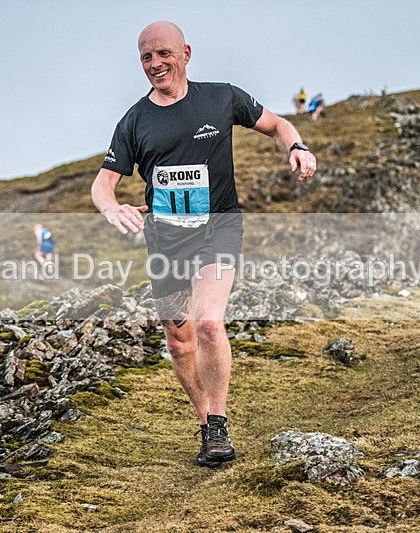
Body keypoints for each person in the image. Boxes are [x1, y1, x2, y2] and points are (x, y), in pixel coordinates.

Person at [90, 21, 317, 468]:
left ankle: (218, 422)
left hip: (219, 229)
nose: (155, 64)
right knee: (179, 342)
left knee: (209, 322)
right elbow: (103, 184)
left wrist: (297, 147)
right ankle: (204, 419)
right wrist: (111, 207)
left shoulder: (221, 97)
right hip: (167, 242)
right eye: (146, 57)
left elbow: (278, 124)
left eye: (163, 54)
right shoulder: (135, 121)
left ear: (186, 54)